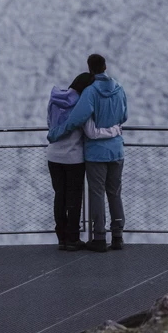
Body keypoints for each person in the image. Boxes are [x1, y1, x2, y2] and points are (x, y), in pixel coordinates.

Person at [63, 54, 127, 252]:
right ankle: (118, 235)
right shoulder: (119, 89)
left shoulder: (90, 92)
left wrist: (57, 132)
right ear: (105, 66)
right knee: (115, 193)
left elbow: (77, 118)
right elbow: (124, 116)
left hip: (96, 154)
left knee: (97, 193)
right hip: (116, 150)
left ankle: (99, 237)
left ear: (89, 68)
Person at [46, 72, 94, 251]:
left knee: (59, 195)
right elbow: (86, 129)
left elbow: (49, 123)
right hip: (73, 157)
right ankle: (73, 238)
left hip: (53, 155)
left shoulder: (54, 99)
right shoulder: (82, 103)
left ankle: (61, 237)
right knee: (74, 197)